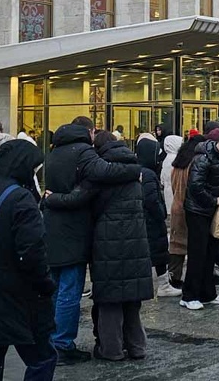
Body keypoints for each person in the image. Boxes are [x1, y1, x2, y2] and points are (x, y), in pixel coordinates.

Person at [40, 117, 141, 362]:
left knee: (54, 289)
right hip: (72, 231)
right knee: (69, 291)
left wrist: (51, 199)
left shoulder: (54, 152)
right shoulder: (82, 151)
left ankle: (49, 339)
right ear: (89, 131)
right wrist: (135, 169)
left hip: (52, 228)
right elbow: (104, 172)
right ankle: (62, 343)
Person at [0, 138, 57, 381]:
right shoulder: (21, 199)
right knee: (42, 357)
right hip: (18, 294)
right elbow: (32, 251)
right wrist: (45, 284)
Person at [82, 132, 152, 360]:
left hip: (107, 242)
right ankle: (137, 347)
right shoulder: (135, 170)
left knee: (110, 300)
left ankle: (111, 349)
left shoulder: (101, 173)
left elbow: (89, 204)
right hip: (136, 241)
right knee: (132, 299)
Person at [181, 127, 219, 309]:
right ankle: (189, 296)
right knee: (198, 254)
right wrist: (215, 200)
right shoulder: (202, 158)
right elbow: (195, 187)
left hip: (208, 210)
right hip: (198, 211)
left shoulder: (218, 158)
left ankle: (207, 293)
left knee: (209, 253)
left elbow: (215, 180)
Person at [136, 134, 176, 297]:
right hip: (152, 221)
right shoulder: (148, 174)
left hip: (144, 219)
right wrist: (160, 213)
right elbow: (151, 199)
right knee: (158, 252)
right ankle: (163, 284)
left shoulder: (138, 171)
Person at [165, 132, 196, 288]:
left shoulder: (176, 164)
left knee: (176, 244)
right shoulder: (192, 165)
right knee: (193, 243)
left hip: (176, 205)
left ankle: (174, 276)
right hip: (189, 207)